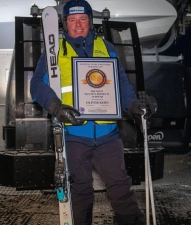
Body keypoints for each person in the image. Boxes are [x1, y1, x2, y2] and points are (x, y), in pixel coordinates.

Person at [30, 0, 156, 224]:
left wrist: (134, 106)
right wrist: (55, 107)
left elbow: (121, 83)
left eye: (83, 19)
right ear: (65, 23)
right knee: (80, 190)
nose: (78, 25)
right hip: (75, 134)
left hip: (108, 133)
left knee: (120, 187)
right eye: (72, 20)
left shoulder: (106, 47)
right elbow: (37, 85)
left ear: (90, 22)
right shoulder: (54, 50)